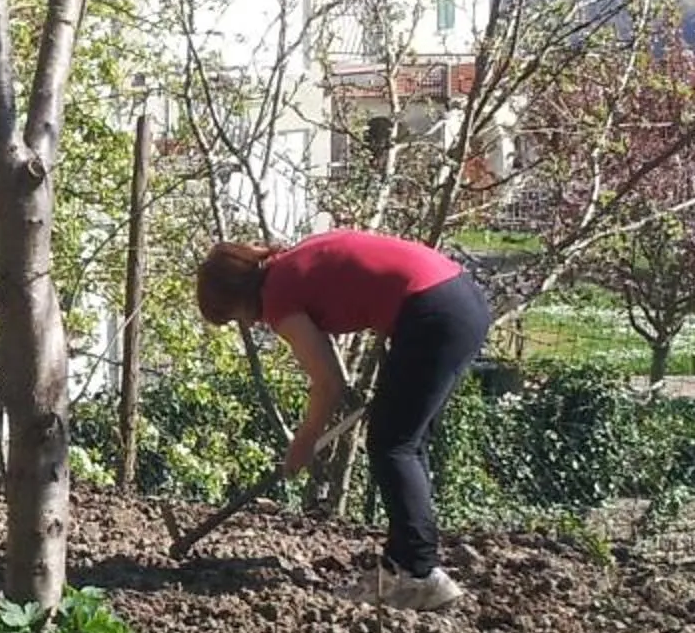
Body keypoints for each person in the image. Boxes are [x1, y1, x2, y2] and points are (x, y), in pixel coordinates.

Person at [194, 230, 492, 613]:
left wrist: (304, 442)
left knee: (392, 444)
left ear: (238, 296)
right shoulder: (288, 265)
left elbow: (328, 382)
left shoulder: (276, 298)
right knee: (405, 443)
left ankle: (421, 574)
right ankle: (400, 568)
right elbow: (358, 301)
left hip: (433, 312)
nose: (248, 325)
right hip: (456, 295)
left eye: (236, 317)